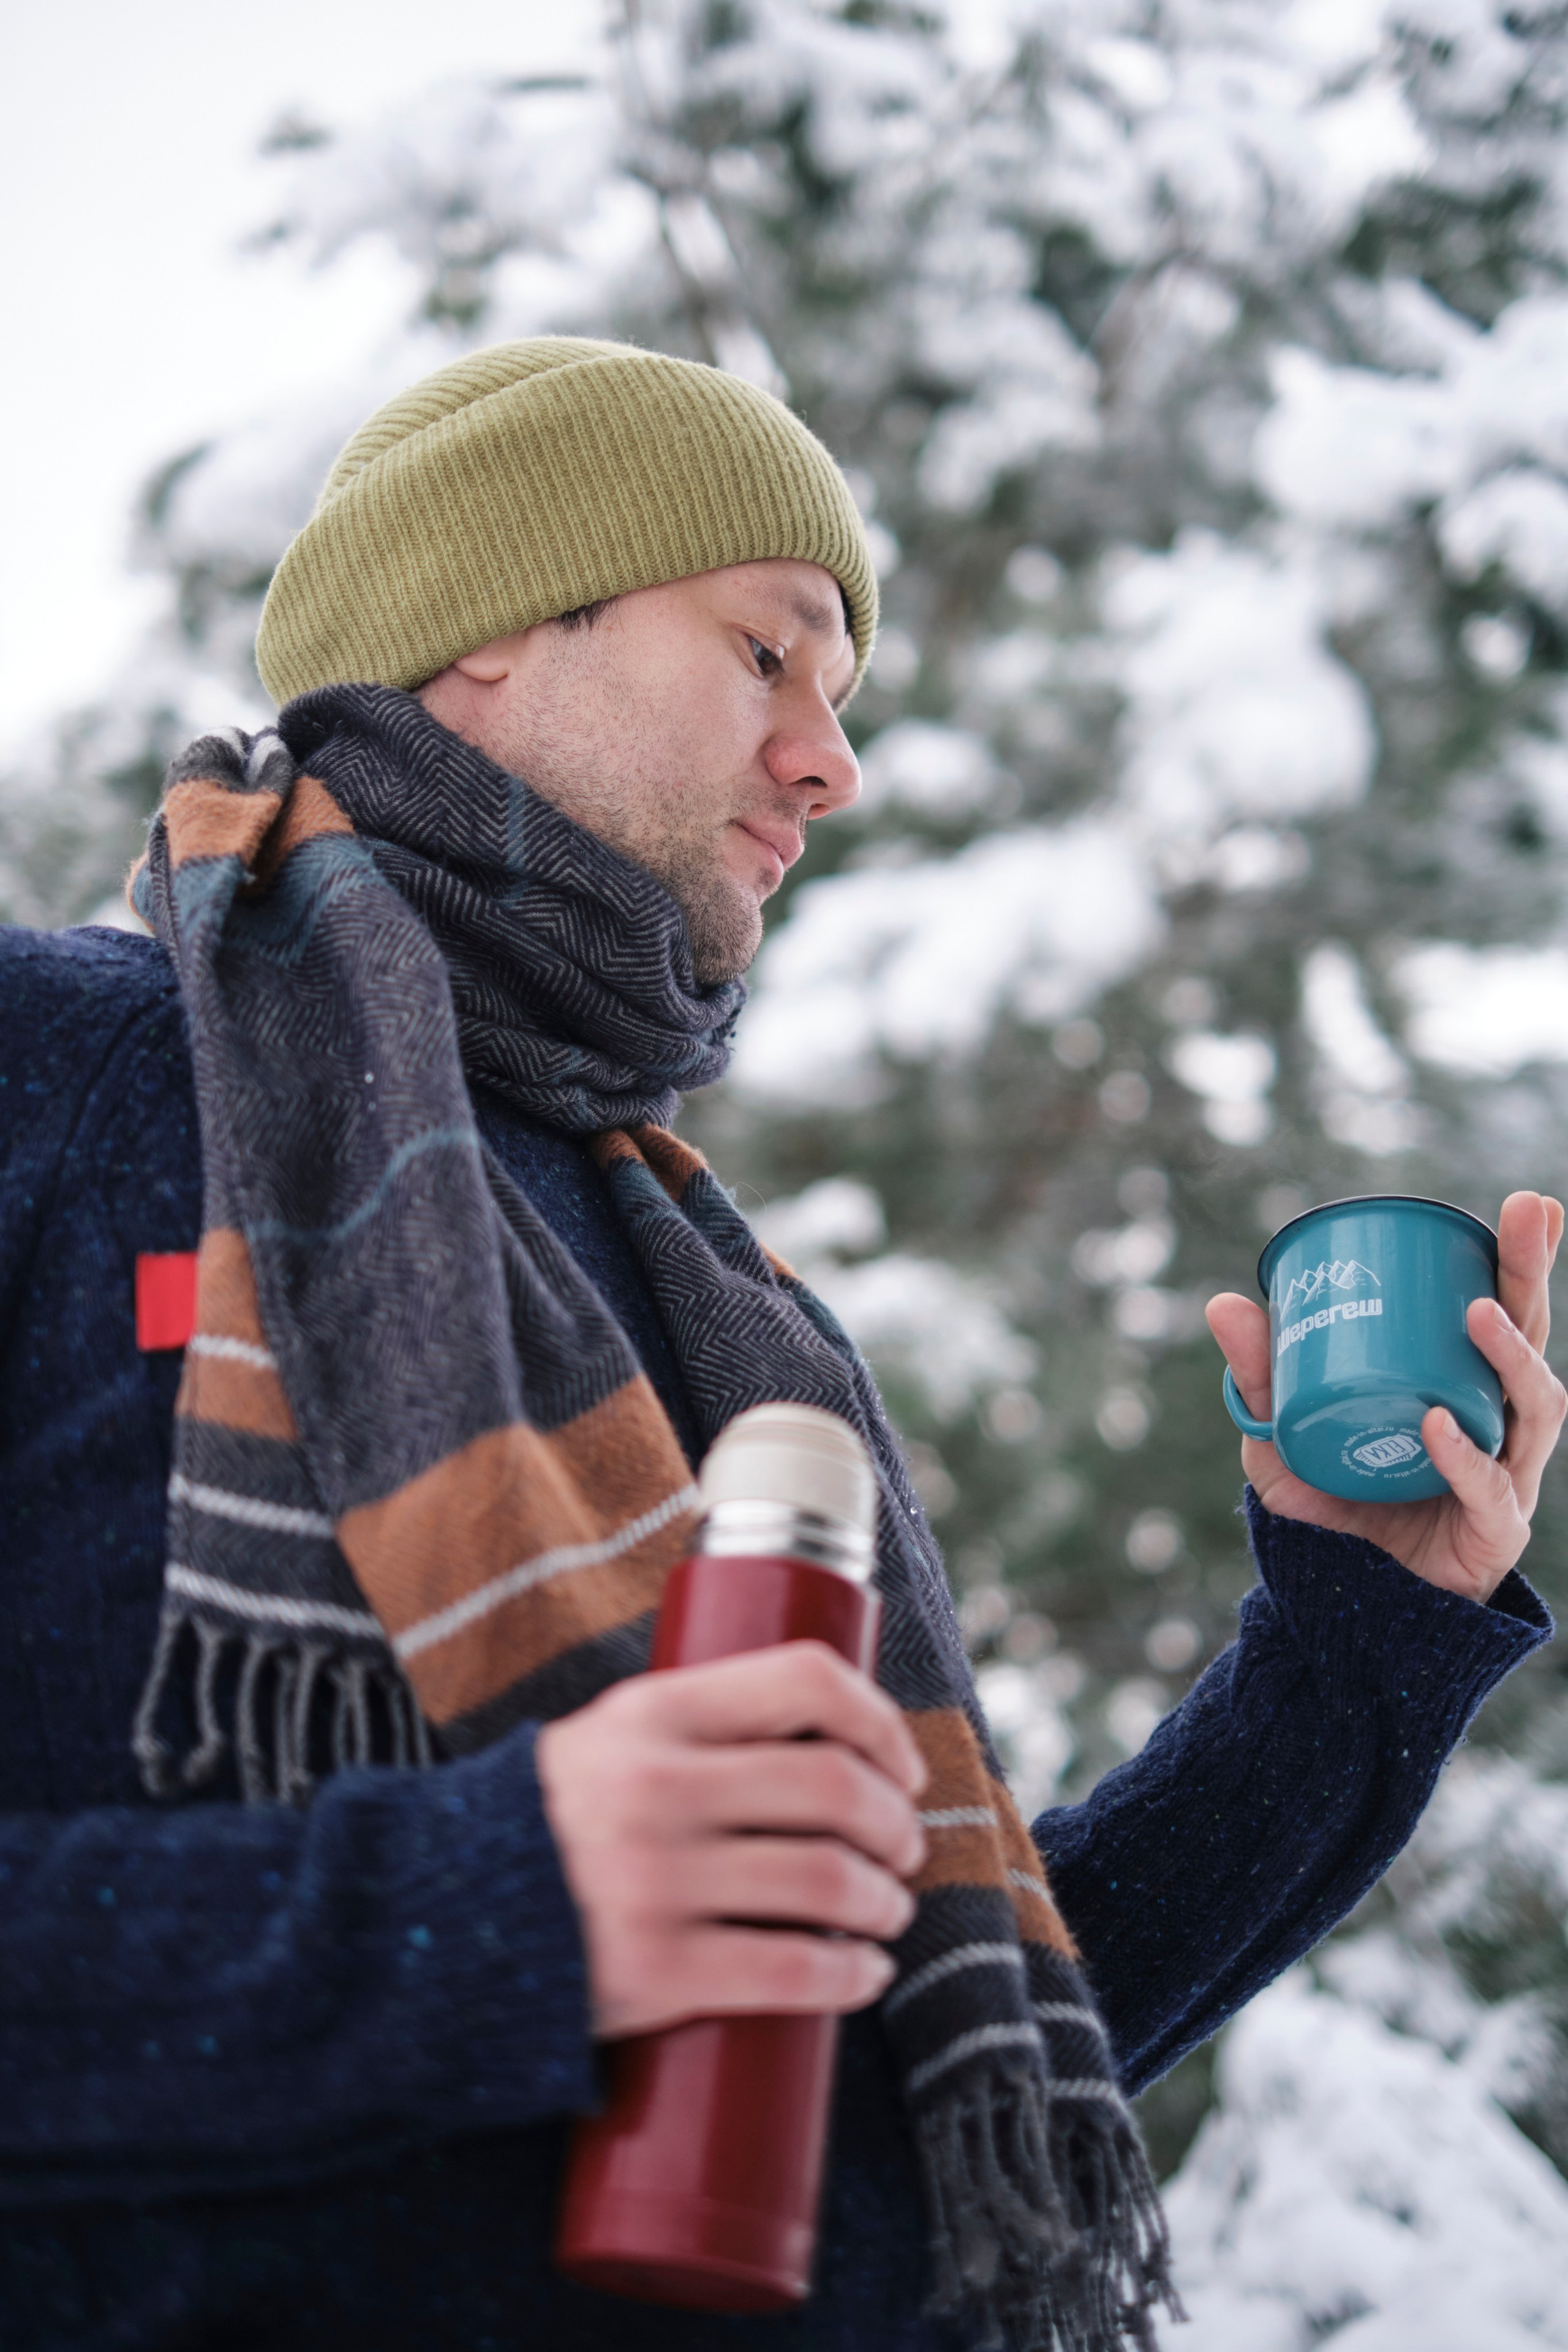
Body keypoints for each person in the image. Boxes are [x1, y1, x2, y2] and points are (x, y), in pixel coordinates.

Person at [0, 337, 1558, 2352]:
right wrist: (498, 1905)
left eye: (844, 697)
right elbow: (575, 1915)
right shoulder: (60, 1075)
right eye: (770, 654)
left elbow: (951, 2071)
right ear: (490, 632)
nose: (835, 758)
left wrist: (1357, 1639)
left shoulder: (720, 1309)